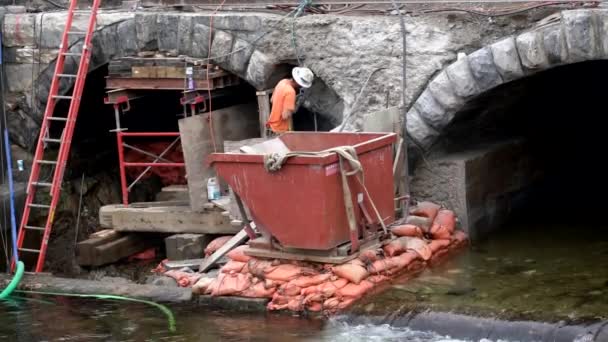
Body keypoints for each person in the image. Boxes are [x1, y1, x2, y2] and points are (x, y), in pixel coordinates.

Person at [266, 67, 314, 135]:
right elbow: (285, 115)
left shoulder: (282, 82)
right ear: (299, 83)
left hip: (272, 126)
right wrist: (294, 105)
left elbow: (272, 100)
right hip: (280, 130)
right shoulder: (291, 92)